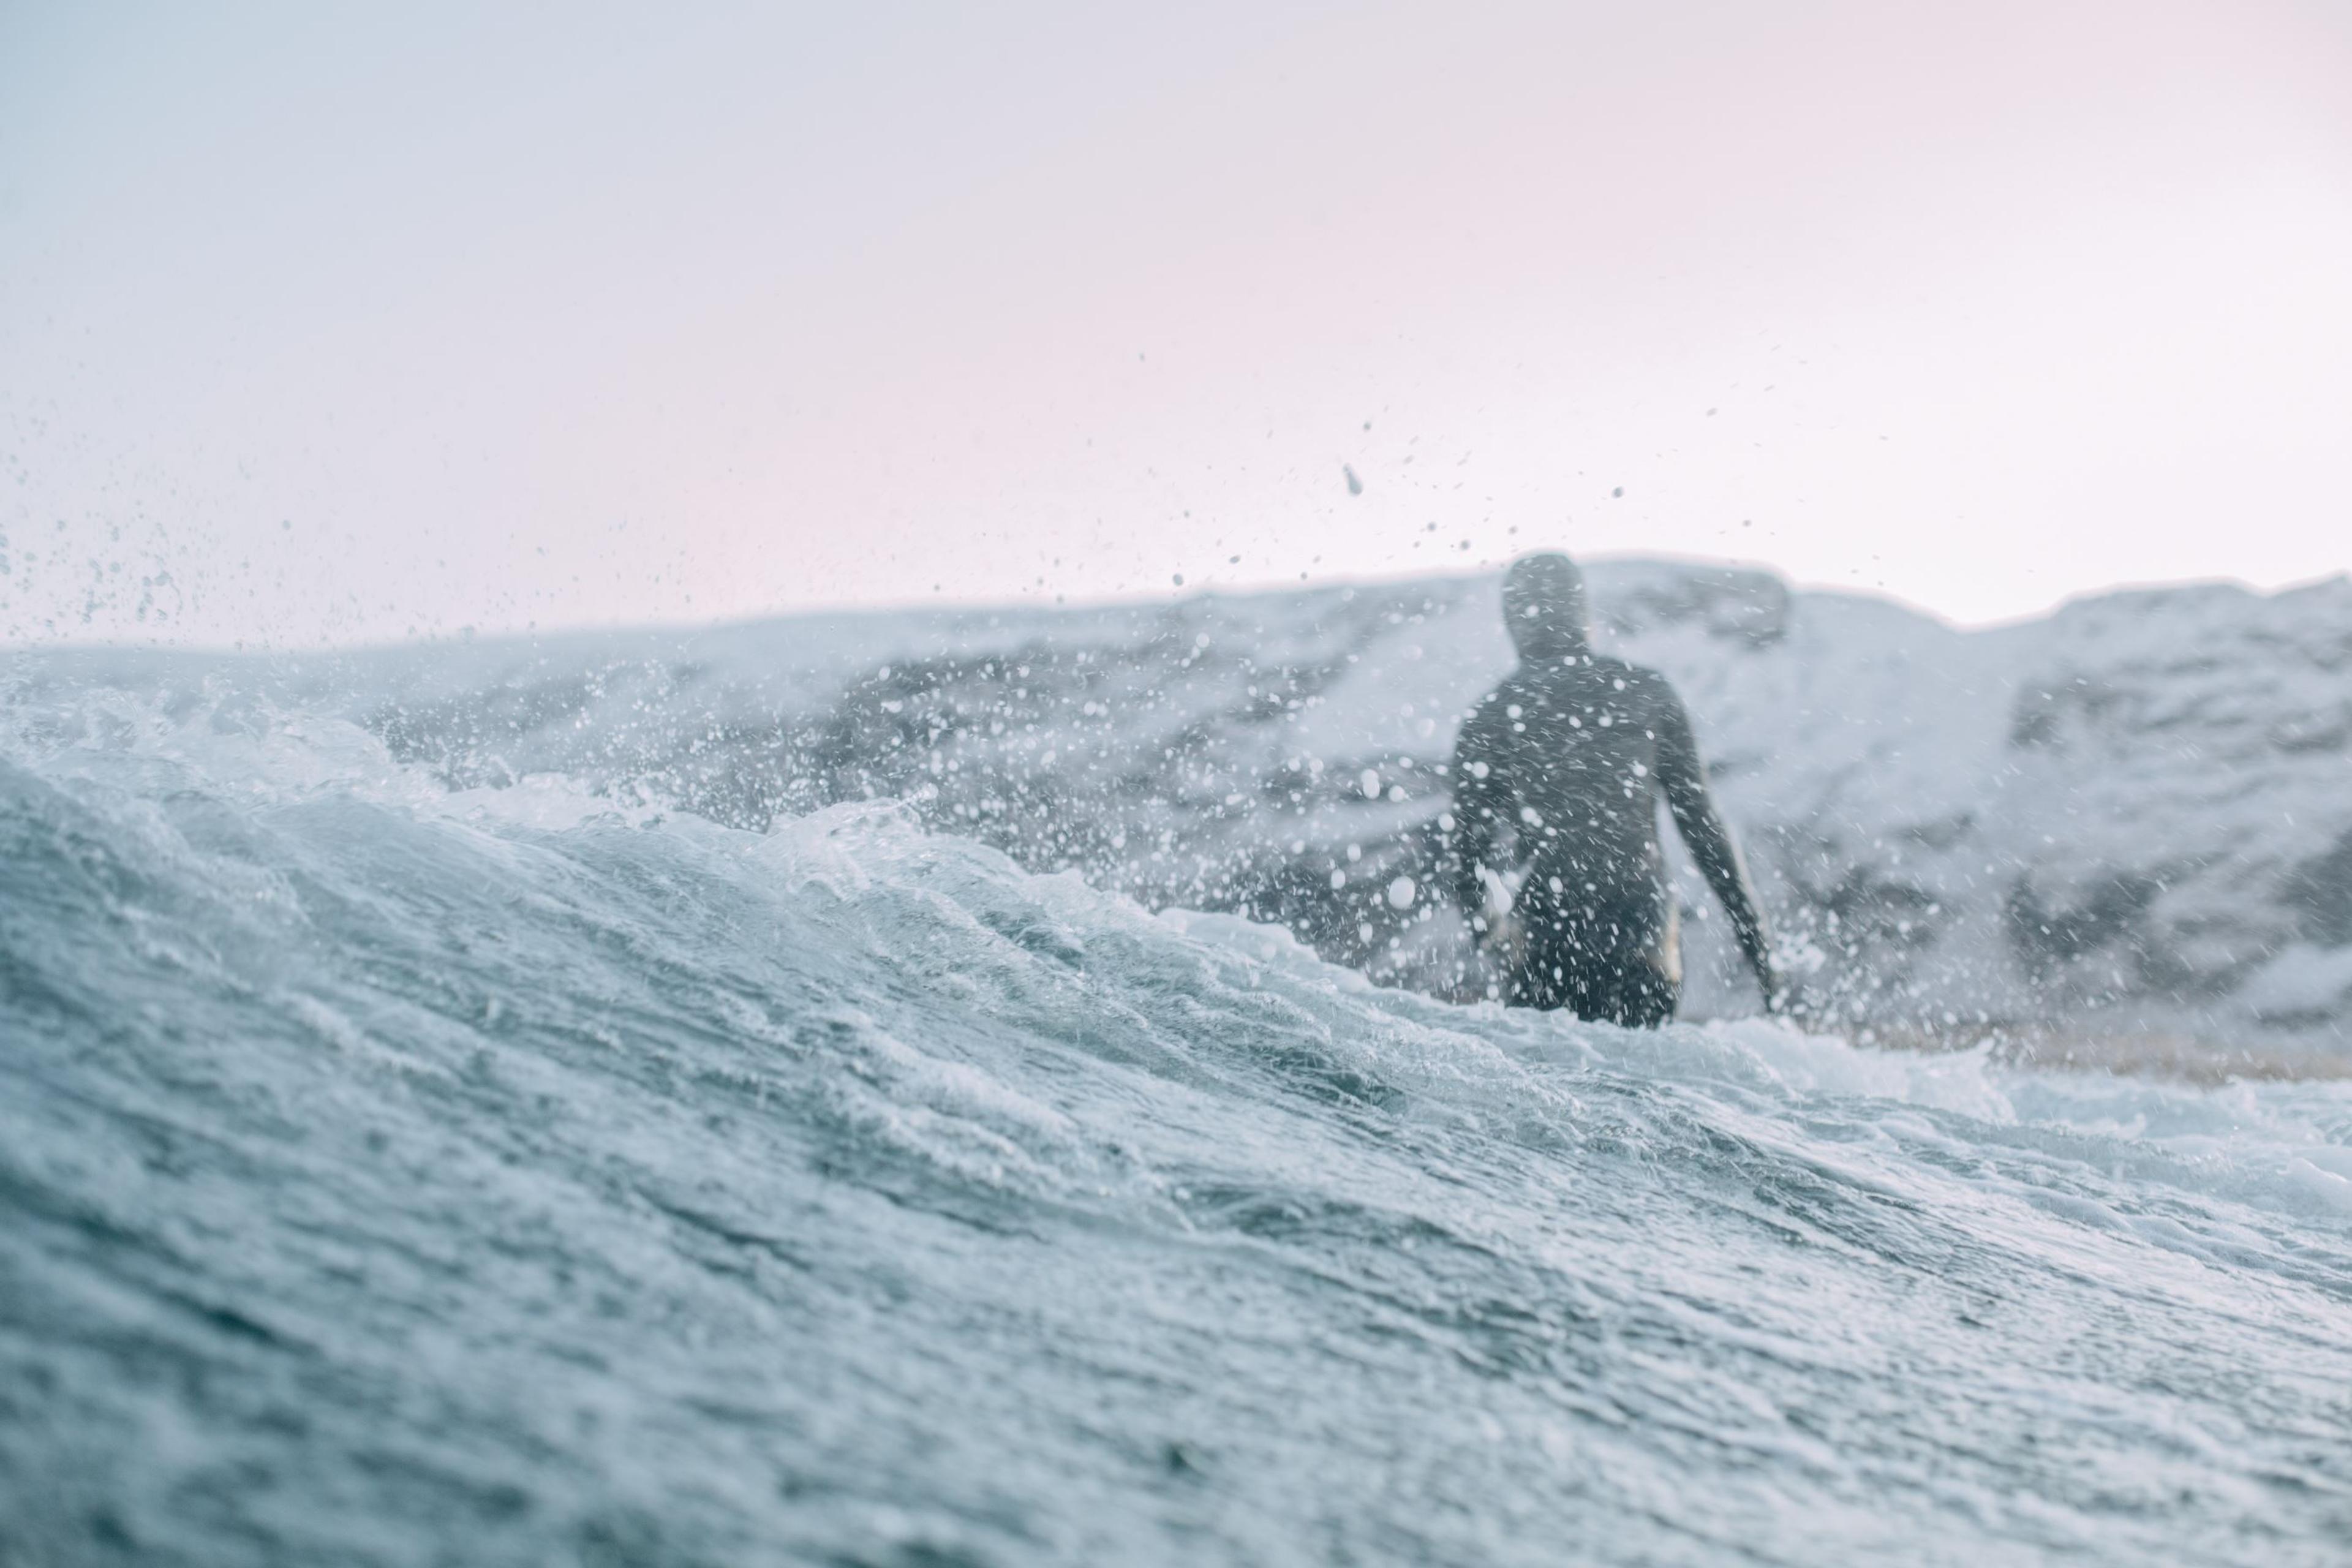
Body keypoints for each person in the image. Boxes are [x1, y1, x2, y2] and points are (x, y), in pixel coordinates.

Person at [1449, 552, 1779, 1024]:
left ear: (1513, 622)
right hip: (1645, 940)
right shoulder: (1646, 693)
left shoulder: (1491, 716)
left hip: (1545, 943)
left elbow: (1467, 860)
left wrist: (1492, 939)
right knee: (1639, 1069)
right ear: (1582, 612)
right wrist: (1759, 948)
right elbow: (1703, 829)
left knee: (1547, 1064)